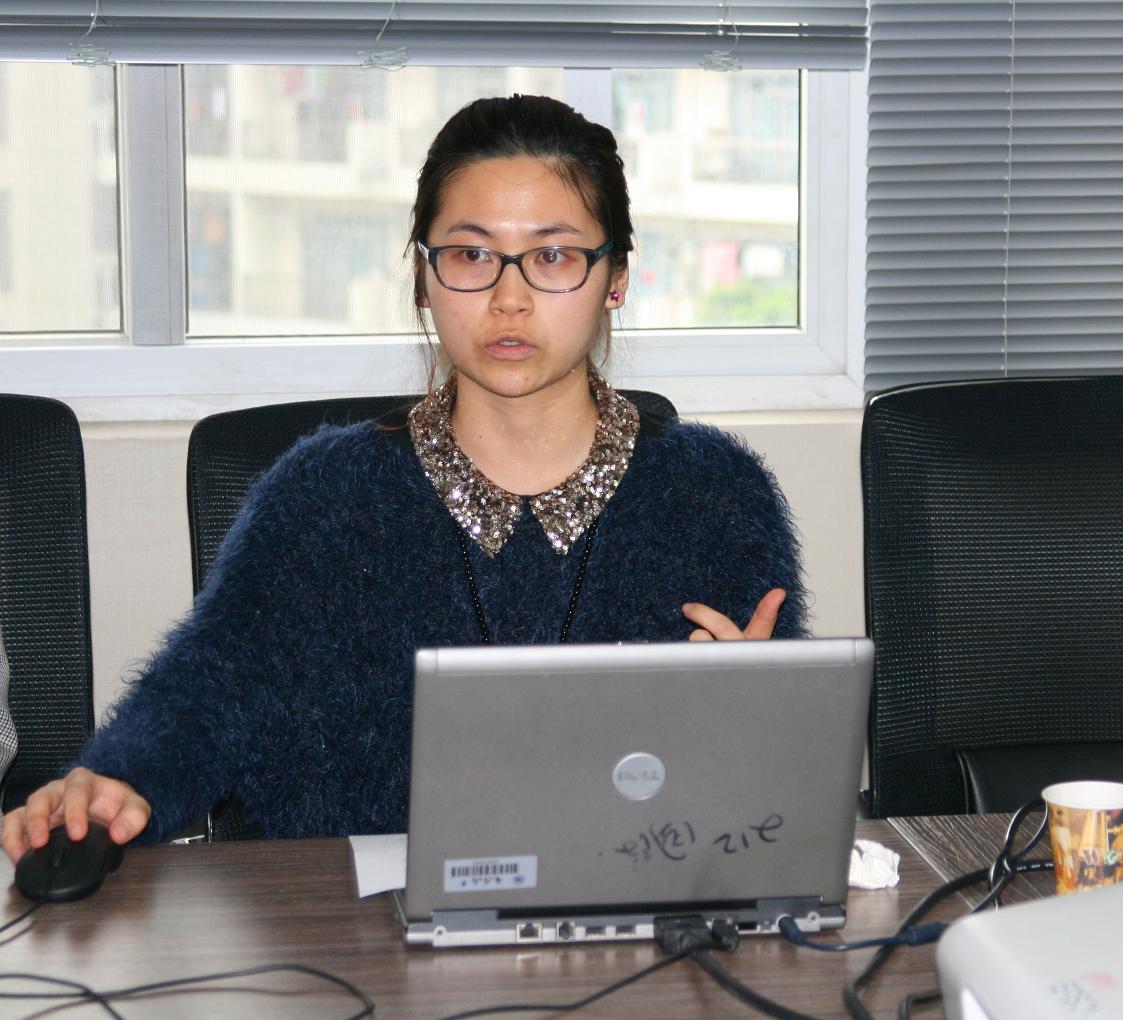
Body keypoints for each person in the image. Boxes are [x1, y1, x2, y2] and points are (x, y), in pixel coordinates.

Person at [4, 95, 806, 864]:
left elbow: (779, 784)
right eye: (471, 255)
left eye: (553, 256)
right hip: (350, 934)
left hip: (632, 927)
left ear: (616, 277)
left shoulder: (715, 496)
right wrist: (115, 783)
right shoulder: (322, 498)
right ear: (423, 279)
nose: (510, 298)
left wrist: (762, 726)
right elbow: (206, 696)